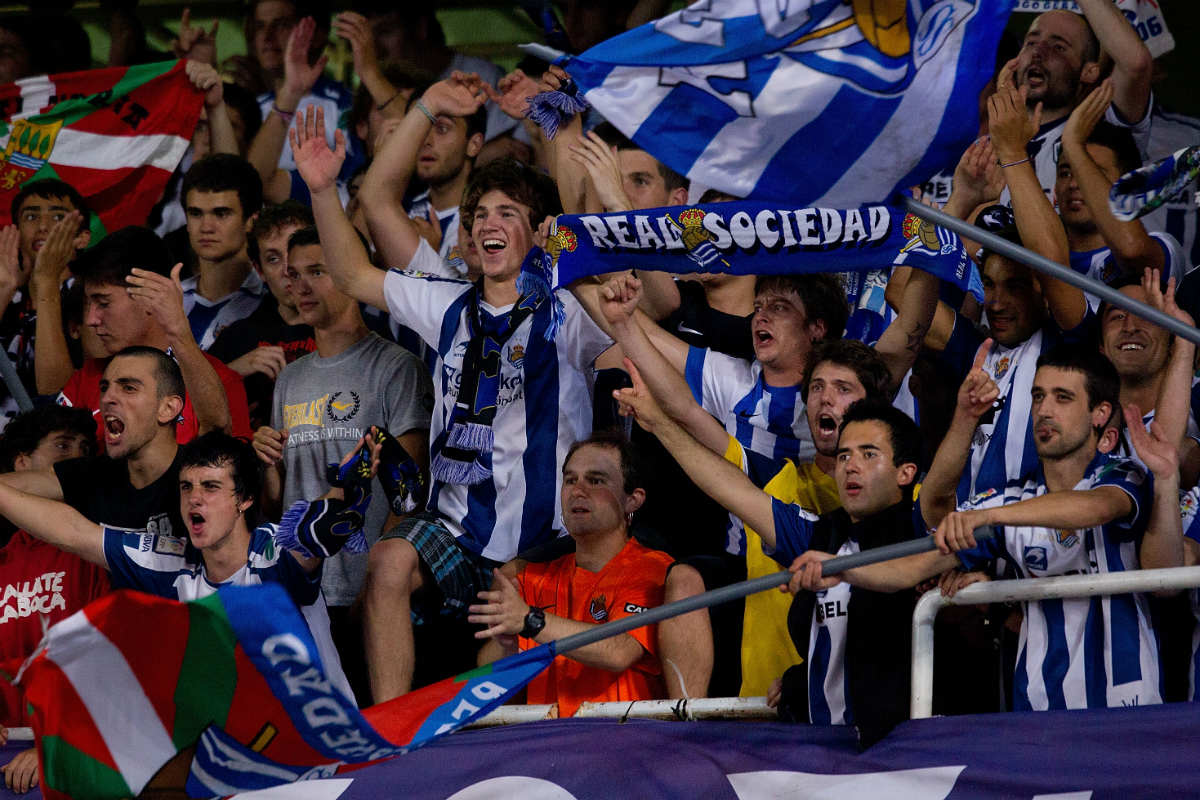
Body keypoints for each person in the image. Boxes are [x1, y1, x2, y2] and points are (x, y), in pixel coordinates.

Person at [290, 99, 616, 702]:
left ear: (538, 233)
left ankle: (472, 757)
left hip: (543, 539)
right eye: (480, 214)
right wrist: (321, 190)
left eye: (509, 213)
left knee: (500, 623)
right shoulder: (446, 303)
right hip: (455, 531)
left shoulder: (567, 313)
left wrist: (584, 253)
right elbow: (354, 276)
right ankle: (391, 731)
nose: (489, 223)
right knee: (387, 562)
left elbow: (631, 345)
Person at [792, 344, 1180, 711]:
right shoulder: (1008, 501)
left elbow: (1095, 508)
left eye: (1063, 398)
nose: (1044, 410)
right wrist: (839, 569)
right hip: (1036, 711)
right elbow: (912, 566)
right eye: (1038, 396)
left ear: (1099, 413)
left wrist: (989, 517)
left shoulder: (1121, 473)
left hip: (1127, 703)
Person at [617, 359, 924, 746]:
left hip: (900, 755)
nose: (851, 467)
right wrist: (658, 423)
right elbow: (733, 491)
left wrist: (965, 416)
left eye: (868, 454)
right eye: (844, 456)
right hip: (821, 754)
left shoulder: (921, 524)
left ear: (906, 472)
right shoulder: (820, 535)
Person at [0, 429, 379, 704]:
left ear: (245, 499)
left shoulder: (274, 547)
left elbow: (315, 534)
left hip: (324, 755)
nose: (195, 499)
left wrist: (345, 491)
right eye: (186, 487)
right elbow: (73, 532)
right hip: (242, 761)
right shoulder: (170, 561)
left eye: (211, 488)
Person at [252, 226, 432, 703]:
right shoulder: (289, 381)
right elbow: (277, 504)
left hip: (370, 602)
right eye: (293, 275)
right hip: (301, 596)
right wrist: (268, 468)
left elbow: (409, 493)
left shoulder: (397, 367)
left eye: (318, 271)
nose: (301, 286)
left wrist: (374, 591)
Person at [471, 432, 689, 717]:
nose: (578, 490)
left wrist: (530, 621)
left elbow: (618, 651)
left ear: (633, 500)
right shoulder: (532, 579)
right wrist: (507, 647)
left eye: (596, 480)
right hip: (544, 746)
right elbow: (485, 687)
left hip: (625, 744)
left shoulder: (655, 570)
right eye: (571, 480)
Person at [56, 226, 252, 448]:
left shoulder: (220, 383)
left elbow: (229, 470)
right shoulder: (86, 379)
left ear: (150, 295)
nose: (91, 319)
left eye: (103, 303)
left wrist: (179, 329)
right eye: (89, 304)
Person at [0, 405, 104, 794]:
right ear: (23, 465)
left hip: (79, 751)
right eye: (62, 446)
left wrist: (53, 741)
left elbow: (110, 661)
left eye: (84, 448)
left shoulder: (97, 551)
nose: (77, 457)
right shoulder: (4, 560)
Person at [1003, 2, 1152, 195]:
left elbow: (1135, 64)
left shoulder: (1102, 130)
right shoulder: (986, 142)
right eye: (1031, 43)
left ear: (1088, 72)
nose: (1038, 52)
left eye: (1058, 47)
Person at [1057, 83, 1186, 297]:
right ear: (1054, 191)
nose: (1073, 183)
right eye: (1064, 172)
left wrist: (1073, 145)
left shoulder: (1164, 247)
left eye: (1093, 172)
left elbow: (1131, 249)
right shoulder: (1042, 250)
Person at [356, 72, 487, 279]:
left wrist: (424, 257)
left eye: (442, 128)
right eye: (422, 128)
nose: (426, 140)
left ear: (474, 144)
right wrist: (381, 162)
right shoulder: (400, 206)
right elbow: (351, 266)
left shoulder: (488, 221)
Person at [208, 201, 317, 430]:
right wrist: (234, 372)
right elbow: (186, 411)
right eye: (273, 259)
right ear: (260, 271)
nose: (288, 269)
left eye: (294, 251)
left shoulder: (355, 328)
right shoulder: (238, 338)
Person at [2, 179, 91, 423]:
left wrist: (47, 282)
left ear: (82, 238)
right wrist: (3, 291)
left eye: (57, 217)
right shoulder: (9, 295)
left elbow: (57, 393)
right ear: (16, 233)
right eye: (31, 217)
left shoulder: (92, 298)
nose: (42, 226)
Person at [179, 154, 266, 350]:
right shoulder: (168, 300)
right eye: (195, 213)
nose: (206, 227)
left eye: (221, 214)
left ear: (252, 220)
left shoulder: (272, 302)